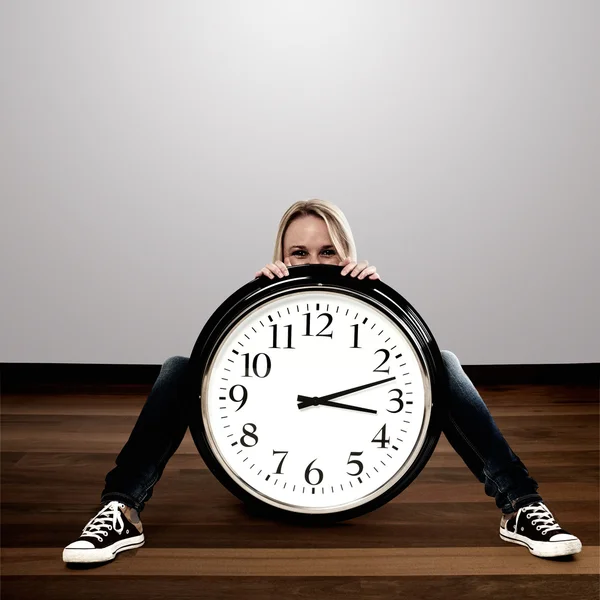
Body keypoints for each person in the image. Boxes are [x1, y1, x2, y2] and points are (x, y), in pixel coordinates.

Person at [63, 199, 582, 564]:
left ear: (347, 254)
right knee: (180, 367)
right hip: (257, 477)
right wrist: (252, 301)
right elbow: (227, 365)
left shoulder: (365, 314)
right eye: (300, 254)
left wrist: (382, 307)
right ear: (282, 257)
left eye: (328, 252)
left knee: (440, 361)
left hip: (349, 476)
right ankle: (121, 509)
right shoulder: (270, 310)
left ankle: (520, 508)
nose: (315, 263)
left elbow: (398, 362)